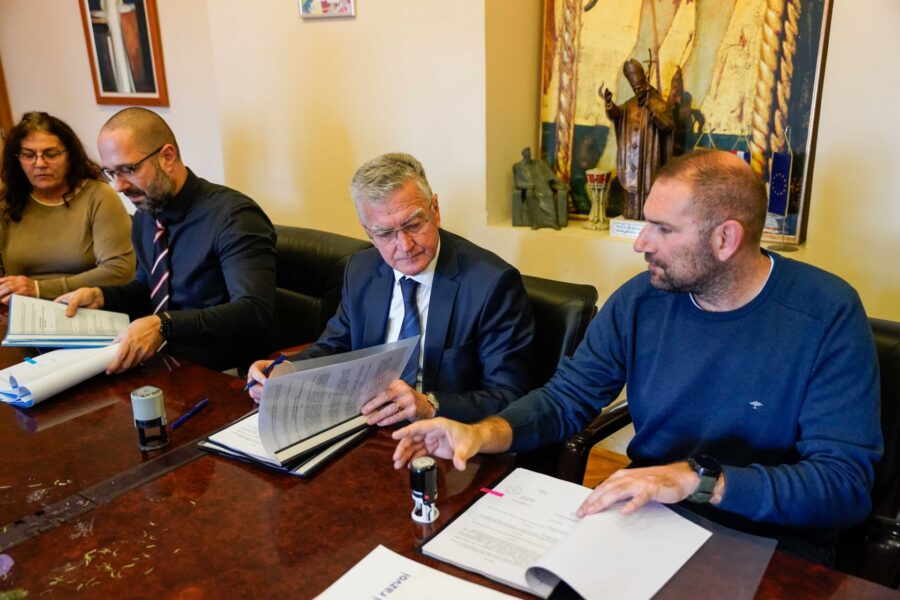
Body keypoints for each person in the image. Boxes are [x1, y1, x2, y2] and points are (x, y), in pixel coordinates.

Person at [392, 150, 882, 565]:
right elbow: (566, 400)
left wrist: (697, 480)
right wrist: (482, 433)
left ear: (726, 239)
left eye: (662, 229)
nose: (641, 243)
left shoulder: (826, 314)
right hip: (649, 519)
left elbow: (844, 486)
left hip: (770, 543)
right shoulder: (641, 300)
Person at [247, 152, 535, 426]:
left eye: (413, 224)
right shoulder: (360, 269)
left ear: (435, 210)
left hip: (445, 434)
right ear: (368, 232)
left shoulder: (491, 284)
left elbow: (509, 395)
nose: (405, 245)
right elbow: (334, 347)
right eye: (385, 233)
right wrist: (283, 372)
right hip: (365, 422)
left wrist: (430, 405)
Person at [58, 107, 276, 373]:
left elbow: (254, 310)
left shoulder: (234, 217)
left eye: (128, 169)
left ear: (167, 157)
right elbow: (147, 287)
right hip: (162, 363)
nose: (119, 186)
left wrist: (165, 324)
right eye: (111, 173)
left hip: (223, 372)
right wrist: (102, 296)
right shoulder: (146, 214)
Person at [0, 111, 134, 302]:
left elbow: (119, 270)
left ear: (69, 156)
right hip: (23, 307)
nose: (40, 163)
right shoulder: (7, 200)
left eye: (51, 154)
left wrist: (39, 289)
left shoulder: (98, 196)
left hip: (87, 305)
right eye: (28, 155)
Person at [601, 59, 675, 221]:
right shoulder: (630, 104)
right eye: (634, 89)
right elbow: (617, 115)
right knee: (631, 187)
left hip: (649, 157)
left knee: (649, 185)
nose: (637, 91)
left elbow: (668, 126)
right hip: (632, 158)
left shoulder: (659, 104)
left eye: (639, 87)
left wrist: (652, 111)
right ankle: (631, 214)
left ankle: (648, 215)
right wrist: (609, 104)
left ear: (645, 83)